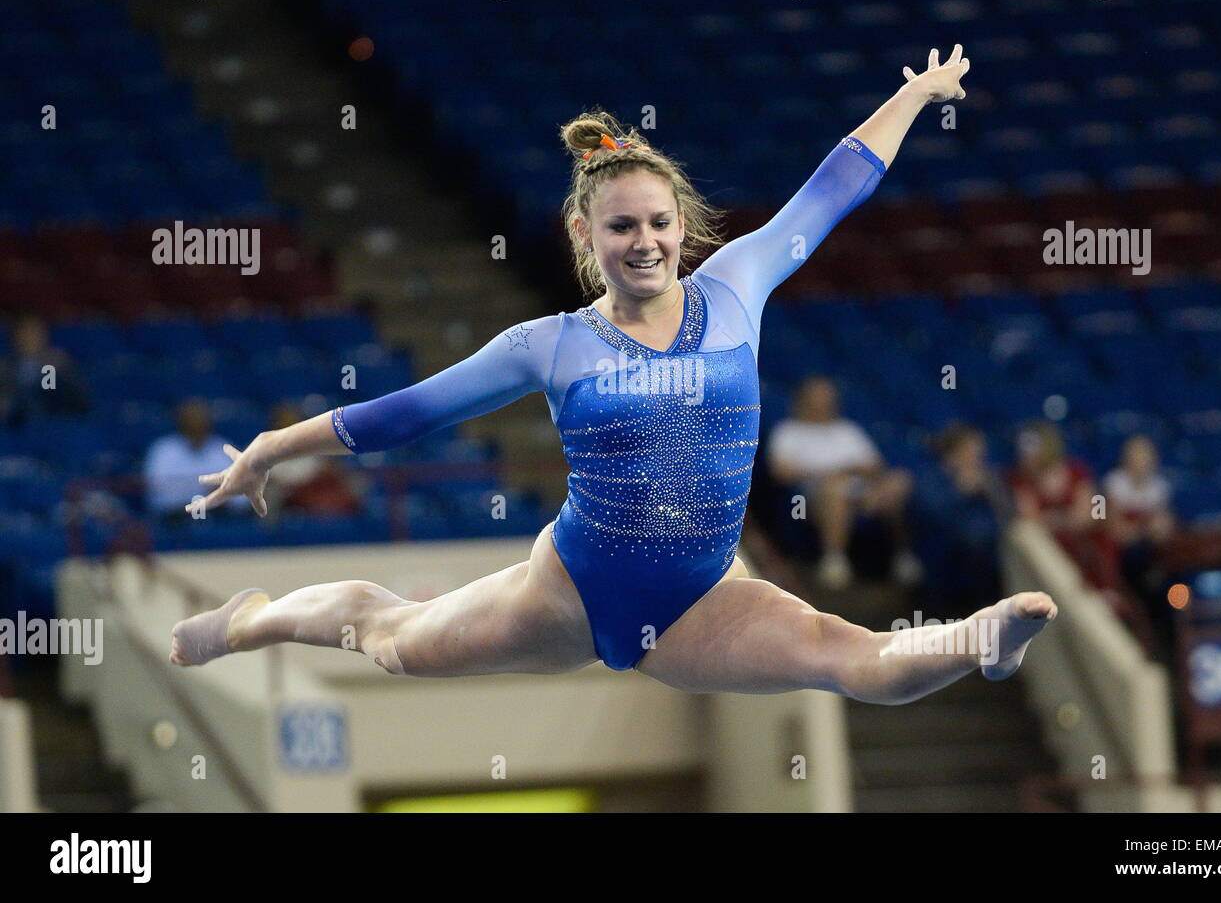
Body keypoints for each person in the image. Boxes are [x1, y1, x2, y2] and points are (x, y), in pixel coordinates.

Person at [171, 46, 1058, 702]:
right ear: (587, 240)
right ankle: (256, 618)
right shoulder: (549, 344)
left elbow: (833, 188)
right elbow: (402, 414)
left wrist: (912, 93)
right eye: (623, 228)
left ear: (684, 224)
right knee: (394, 640)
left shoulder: (739, 282)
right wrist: (268, 450)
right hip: (567, 590)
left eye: (659, 223)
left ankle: (977, 638)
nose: (646, 243)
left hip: (698, 600)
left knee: (840, 652)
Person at [766, 375, 922, 589]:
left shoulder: (847, 429)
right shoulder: (788, 431)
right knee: (834, 490)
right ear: (804, 400)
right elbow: (780, 471)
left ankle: (904, 557)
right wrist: (828, 474)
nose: (822, 405)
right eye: (817, 399)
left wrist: (848, 473)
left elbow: (874, 465)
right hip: (809, 498)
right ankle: (834, 559)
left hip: (862, 493)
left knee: (898, 481)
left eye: (827, 399)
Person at [1007, 421, 1123, 604]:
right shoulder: (1019, 479)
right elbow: (1029, 518)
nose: (1028, 456)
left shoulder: (1077, 471)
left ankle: (1106, 591)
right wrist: (1063, 519)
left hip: (1078, 537)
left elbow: (1089, 513)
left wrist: (1057, 519)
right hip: (1047, 544)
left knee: (1102, 535)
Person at [915, 423, 1009, 617]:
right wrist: (961, 491)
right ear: (953, 452)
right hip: (947, 561)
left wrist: (992, 492)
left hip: (992, 559)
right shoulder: (931, 479)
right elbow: (931, 516)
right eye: (970, 450)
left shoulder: (988, 478)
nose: (977, 456)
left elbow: (1010, 514)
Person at [144, 398, 251, 518]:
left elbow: (243, 492)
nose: (197, 425)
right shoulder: (164, 450)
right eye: (191, 421)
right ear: (181, 423)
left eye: (201, 421)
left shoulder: (223, 448)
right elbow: (159, 490)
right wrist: (205, 493)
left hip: (221, 515)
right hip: (175, 518)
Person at [262, 402, 364, 516]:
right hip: (288, 495)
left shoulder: (312, 445)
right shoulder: (267, 453)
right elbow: (270, 480)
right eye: (284, 426)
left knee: (355, 483)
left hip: (312, 489)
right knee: (271, 495)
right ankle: (270, 532)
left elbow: (327, 469)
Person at [1101, 434, 1176, 589]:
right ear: (1126, 458)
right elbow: (1110, 523)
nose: (1142, 461)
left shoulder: (1160, 486)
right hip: (1120, 549)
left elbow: (1163, 526)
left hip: (1148, 547)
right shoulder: (1112, 483)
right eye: (1137, 455)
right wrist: (1143, 530)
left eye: (1146, 456)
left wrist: (1150, 530)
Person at [0, 315, 93, 428]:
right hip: (17, 426)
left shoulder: (57, 363)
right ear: (15, 337)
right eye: (25, 333)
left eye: (36, 333)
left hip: (54, 424)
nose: (30, 339)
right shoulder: (5, 366)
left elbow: (56, 394)